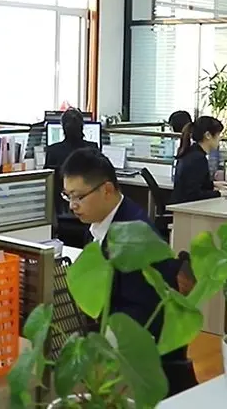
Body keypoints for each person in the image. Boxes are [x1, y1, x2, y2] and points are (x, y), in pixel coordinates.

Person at [60, 148, 196, 395]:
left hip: (141, 359)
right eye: (67, 196)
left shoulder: (133, 238)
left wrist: (95, 342)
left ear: (107, 190)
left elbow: (139, 314)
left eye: (78, 197)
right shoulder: (100, 223)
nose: (72, 206)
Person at [45, 108, 99, 246]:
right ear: (82, 127)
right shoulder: (92, 149)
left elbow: (48, 183)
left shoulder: (53, 151)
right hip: (88, 211)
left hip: (63, 214)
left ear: (63, 128)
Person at [170, 116, 227, 204]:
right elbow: (193, 195)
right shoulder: (197, 159)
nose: (220, 138)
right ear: (208, 135)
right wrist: (220, 193)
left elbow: (195, 183)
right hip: (185, 208)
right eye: (218, 134)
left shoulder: (192, 152)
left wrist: (213, 185)